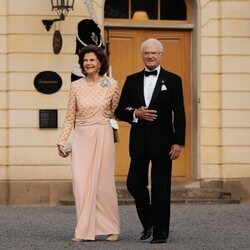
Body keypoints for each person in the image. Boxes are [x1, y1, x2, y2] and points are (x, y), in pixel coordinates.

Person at [114, 38, 185, 244]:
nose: (150, 56)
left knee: (161, 188)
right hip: (139, 142)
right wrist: (136, 113)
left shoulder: (173, 80)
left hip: (164, 142)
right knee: (134, 184)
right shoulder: (132, 79)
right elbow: (119, 110)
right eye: (147, 53)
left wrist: (178, 142)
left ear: (161, 55)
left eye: (154, 53)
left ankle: (160, 233)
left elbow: (179, 113)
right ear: (142, 55)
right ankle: (150, 222)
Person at [57, 45, 120, 242]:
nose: (88, 63)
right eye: (85, 60)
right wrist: (62, 140)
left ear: (101, 62)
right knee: (81, 183)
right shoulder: (76, 86)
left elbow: (114, 111)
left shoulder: (112, 84)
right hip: (81, 138)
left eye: (92, 60)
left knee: (104, 184)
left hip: (103, 135)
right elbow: (70, 116)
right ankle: (84, 230)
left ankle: (111, 228)